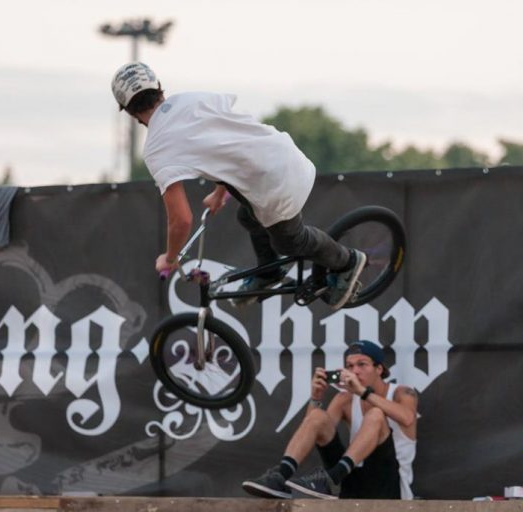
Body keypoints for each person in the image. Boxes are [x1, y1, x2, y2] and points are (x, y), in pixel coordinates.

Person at [111, 62, 367, 309]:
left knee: (291, 242)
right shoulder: (191, 99)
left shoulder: (156, 148)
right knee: (247, 216)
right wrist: (219, 192)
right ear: (158, 87)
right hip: (285, 152)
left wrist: (169, 258)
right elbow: (227, 143)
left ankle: (347, 261)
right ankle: (269, 273)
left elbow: (181, 220)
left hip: (274, 183)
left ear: (129, 112)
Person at [241, 340, 418, 500]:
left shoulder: (401, 393)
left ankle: (331, 479)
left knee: (376, 415)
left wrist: (363, 392)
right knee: (318, 415)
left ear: (379, 369)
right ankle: (281, 476)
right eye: (350, 366)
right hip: (352, 480)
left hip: (390, 485)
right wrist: (316, 397)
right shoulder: (345, 399)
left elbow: (408, 418)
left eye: (362, 364)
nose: (355, 371)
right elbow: (317, 430)